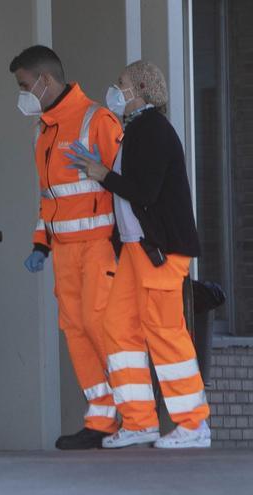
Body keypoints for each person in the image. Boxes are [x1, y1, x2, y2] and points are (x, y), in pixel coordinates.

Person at [66, 61, 210, 449]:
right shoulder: (138, 131)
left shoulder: (152, 131)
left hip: (158, 251)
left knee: (165, 333)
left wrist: (101, 173)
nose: (116, 89)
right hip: (137, 249)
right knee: (118, 328)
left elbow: (144, 192)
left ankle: (192, 424)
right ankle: (140, 421)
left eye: (122, 83)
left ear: (142, 90)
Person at [10, 46, 124, 449]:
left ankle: (134, 413)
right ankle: (101, 419)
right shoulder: (43, 131)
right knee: (75, 330)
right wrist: (40, 244)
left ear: (45, 80)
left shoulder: (97, 120)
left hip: (99, 246)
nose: (22, 93)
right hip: (64, 252)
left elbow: (125, 187)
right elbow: (50, 197)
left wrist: (125, 245)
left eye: (25, 85)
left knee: (100, 327)